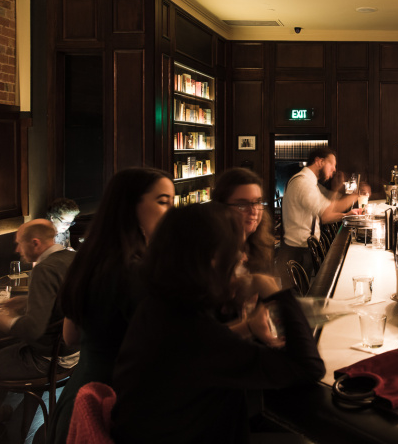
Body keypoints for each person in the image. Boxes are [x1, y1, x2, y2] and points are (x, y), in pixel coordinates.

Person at [110, 203, 325, 444]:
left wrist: (246, 326)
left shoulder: (159, 307)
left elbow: (196, 355)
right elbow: (308, 368)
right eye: (235, 250)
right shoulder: (194, 333)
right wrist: (271, 289)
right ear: (212, 259)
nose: (243, 257)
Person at [47, 168, 174, 444]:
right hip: (117, 406)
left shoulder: (87, 261)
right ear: (131, 206)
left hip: (79, 398)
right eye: (163, 201)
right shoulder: (139, 273)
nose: (171, 212)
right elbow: (171, 350)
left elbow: (71, 337)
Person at [0, 220, 76, 381]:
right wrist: (27, 301)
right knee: (3, 349)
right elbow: (62, 301)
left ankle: (1, 397)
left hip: (50, 359)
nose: (17, 250)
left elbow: (32, 330)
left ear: (35, 243)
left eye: (20, 243)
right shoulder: (72, 257)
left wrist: (1, 319)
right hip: (75, 352)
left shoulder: (44, 269)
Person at [280, 146, 358, 274]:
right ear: (319, 161)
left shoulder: (309, 182)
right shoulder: (303, 183)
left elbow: (325, 216)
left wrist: (346, 215)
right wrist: (357, 195)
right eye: (332, 164)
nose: (334, 169)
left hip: (302, 250)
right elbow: (328, 210)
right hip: (297, 252)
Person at [211, 168, 275, 274]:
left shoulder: (259, 246)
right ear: (221, 207)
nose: (253, 211)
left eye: (257, 202)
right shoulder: (213, 255)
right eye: (242, 204)